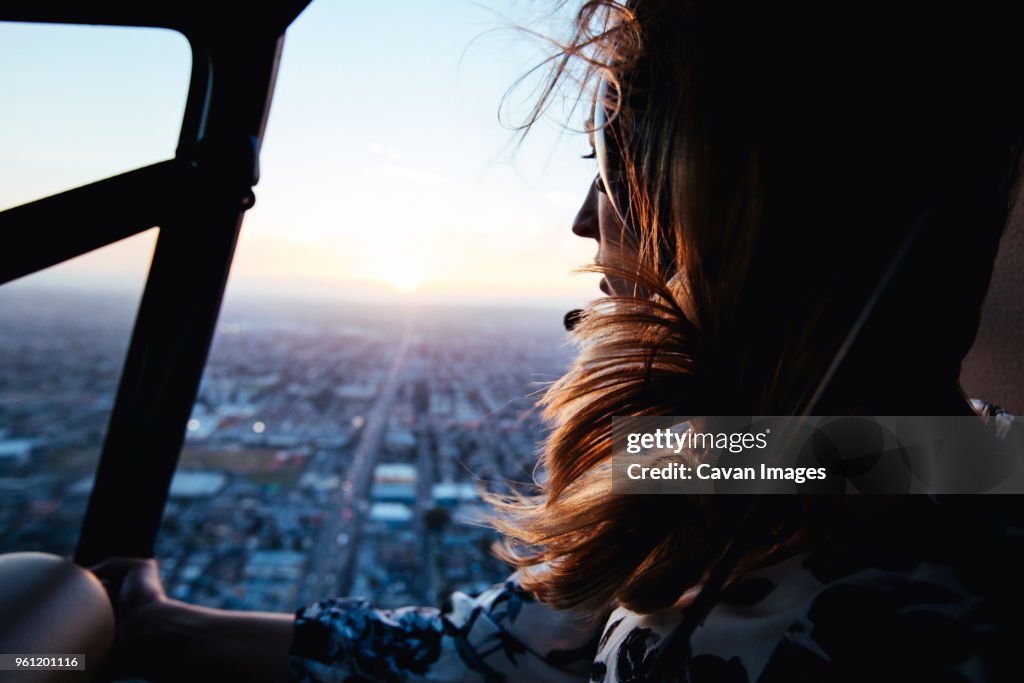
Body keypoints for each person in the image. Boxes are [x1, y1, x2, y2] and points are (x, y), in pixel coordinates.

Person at [92, 1, 1024, 681]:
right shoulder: (867, 451)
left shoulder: (909, 621)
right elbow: (499, 649)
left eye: (622, 167)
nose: (587, 219)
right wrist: (163, 625)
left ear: (773, 218)